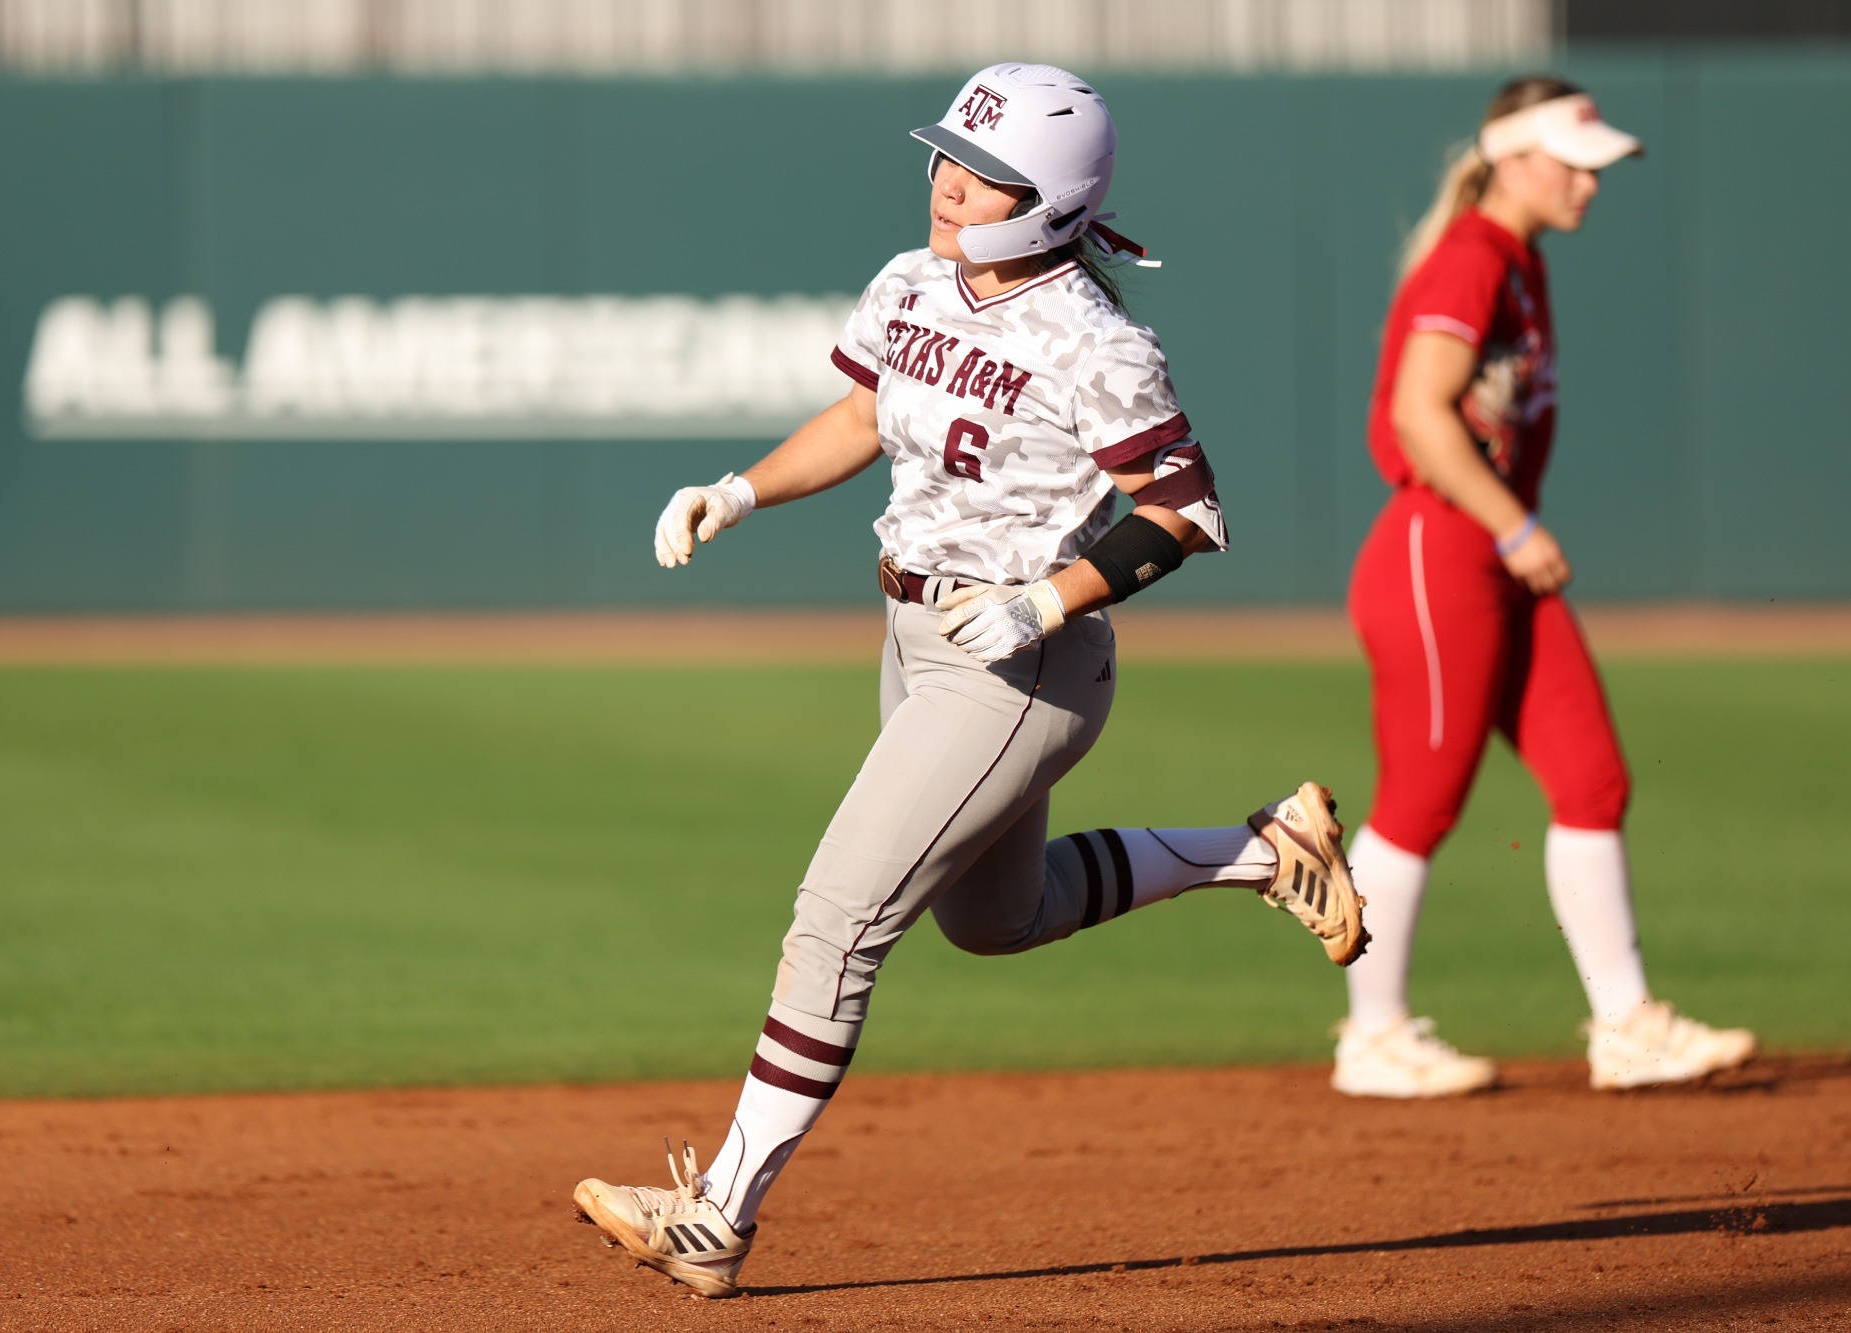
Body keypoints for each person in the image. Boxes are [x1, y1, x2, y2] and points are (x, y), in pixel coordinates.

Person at [570, 62, 1368, 1298]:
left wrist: (1048, 600)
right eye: (946, 156)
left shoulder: (1094, 341)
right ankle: (1263, 850)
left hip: (1019, 664)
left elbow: (1185, 511)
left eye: (984, 172)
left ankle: (717, 1215)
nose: (948, 183)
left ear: (1050, 201)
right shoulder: (909, 279)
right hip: (913, 634)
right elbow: (858, 418)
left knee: (836, 920)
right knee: (996, 920)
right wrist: (737, 490)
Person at [1333, 76, 1756, 1099]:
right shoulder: (1473, 256)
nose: (1589, 184)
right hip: (1440, 553)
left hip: (1490, 554)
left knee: (1591, 779)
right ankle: (1372, 1035)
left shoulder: (1517, 259)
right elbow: (1419, 415)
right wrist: (1513, 524)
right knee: (1420, 802)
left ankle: (1626, 1027)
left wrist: (1510, 535)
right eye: (1574, 165)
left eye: (1595, 168)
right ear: (1512, 159)